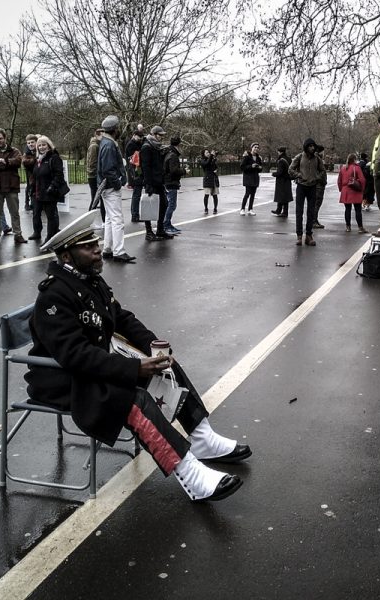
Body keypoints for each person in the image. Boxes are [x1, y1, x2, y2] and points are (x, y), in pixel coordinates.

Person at [26, 211, 250, 501]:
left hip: (90, 368)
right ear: (66, 257)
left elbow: (120, 318)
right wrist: (133, 368)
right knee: (133, 400)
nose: (97, 249)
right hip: (63, 379)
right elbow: (75, 356)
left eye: (95, 241)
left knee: (164, 365)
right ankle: (191, 474)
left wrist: (153, 347)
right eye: (87, 246)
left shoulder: (88, 281)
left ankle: (202, 437)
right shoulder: (53, 296)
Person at [96, 115, 135, 262]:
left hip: (106, 186)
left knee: (110, 218)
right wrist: (118, 183)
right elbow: (108, 169)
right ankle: (119, 251)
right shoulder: (109, 144)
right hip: (111, 186)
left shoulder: (106, 142)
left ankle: (107, 248)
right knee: (117, 219)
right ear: (114, 129)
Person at [0, 128, 27, 244]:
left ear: (5, 138)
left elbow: (18, 162)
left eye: (0, 138)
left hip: (11, 185)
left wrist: (4, 162)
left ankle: (18, 234)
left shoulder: (14, 150)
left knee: (14, 212)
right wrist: (7, 163)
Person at [29, 135, 66, 245]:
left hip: (49, 192)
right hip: (38, 192)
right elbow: (36, 175)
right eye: (39, 145)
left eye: (43, 144)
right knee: (36, 213)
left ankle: (50, 238)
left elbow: (59, 175)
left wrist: (52, 187)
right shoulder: (38, 160)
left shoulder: (54, 158)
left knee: (51, 216)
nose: (41, 147)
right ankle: (37, 232)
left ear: (49, 145)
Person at [288, 138, 326, 246]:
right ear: (306, 147)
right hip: (301, 186)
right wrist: (298, 175)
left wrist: (317, 177)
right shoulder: (299, 157)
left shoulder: (317, 158)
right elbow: (290, 169)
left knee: (310, 212)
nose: (312, 148)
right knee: (299, 212)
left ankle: (309, 235)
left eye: (313, 146)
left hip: (312, 187)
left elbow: (323, 170)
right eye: (310, 146)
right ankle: (299, 236)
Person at [140, 125, 174, 242]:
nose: (162, 137)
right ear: (154, 134)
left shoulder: (156, 147)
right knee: (148, 206)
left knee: (164, 204)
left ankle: (160, 229)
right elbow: (146, 167)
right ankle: (149, 232)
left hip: (159, 181)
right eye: (160, 135)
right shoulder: (147, 147)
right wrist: (148, 184)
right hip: (152, 182)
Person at [336, 153, 368, 233]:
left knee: (347, 209)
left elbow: (339, 180)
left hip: (345, 191)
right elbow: (362, 180)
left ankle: (348, 227)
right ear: (354, 159)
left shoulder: (343, 168)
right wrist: (362, 189)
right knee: (358, 210)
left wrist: (341, 189)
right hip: (355, 191)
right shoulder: (356, 168)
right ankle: (360, 228)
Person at [162, 136, 187, 235]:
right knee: (171, 205)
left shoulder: (168, 153)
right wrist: (184, 171)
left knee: (170, 204)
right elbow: (173, 171)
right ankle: (166, 224)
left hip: (167, 181)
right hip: (171, 182)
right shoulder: (173, 156)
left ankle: (166, 224)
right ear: (179, 145)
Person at [124, 128, 145, 223]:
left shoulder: (136, 144)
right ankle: (135, 214)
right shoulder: (131, 145)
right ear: (134, 135)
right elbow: (134, 160)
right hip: (135, 171)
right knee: (136, 194)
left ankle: (135, 214)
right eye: (139, 137)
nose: (140, 139)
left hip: (135, 171)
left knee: (136, 194)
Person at [240, 143, 263, 215]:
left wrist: (260, 168)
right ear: (251, 148)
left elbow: (260, 169)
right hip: (248, 178)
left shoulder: (258, 158)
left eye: (257, 147)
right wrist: (251, 166)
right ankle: (242, 209)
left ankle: (250, 209)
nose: (256, 148)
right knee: (247, 194)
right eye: (255, 147)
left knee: (253, 195)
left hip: (255, 178)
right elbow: (242, 167)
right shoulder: (247, 157)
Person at [270, 146, 292, 217]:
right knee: (285, 196)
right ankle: (281, 210)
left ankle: (282, 211)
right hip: (288, 179)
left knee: (281, 196)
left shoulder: (281, 160)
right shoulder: (288, 159)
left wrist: (274, 174)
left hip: (282, 180)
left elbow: (280, 172)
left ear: (280, 152)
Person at [199, 149, 220, 214]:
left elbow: (215, 167)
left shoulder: (212, 159)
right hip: (207, 179)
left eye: (208, 152)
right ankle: (206, 208)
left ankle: (215, 208)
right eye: (207, 152)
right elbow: (206, 164)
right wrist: (211, 156)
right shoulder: (203, 160)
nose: (208, 153)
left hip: (213, 178)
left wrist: (214, 158)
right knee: (206, 195)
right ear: (203, 154)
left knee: (215, 195)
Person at [312, 144, 327, 229]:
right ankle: (314, 221)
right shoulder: (317, 159)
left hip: (318, 184)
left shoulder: (316, 158)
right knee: (317, 203)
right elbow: (320, 172)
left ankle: (315, 220)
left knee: (316, 204)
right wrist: (321, 180)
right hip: (318, 185)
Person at [22, 134, 38, 213]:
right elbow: (24, 161)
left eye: (32, 142)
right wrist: (35, 159)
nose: (30, 144)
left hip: (39, 174)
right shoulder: (27, 152)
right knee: (30, 188)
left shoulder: (39, 150)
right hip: (30, 174)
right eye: (28, 143)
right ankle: (28, 203)